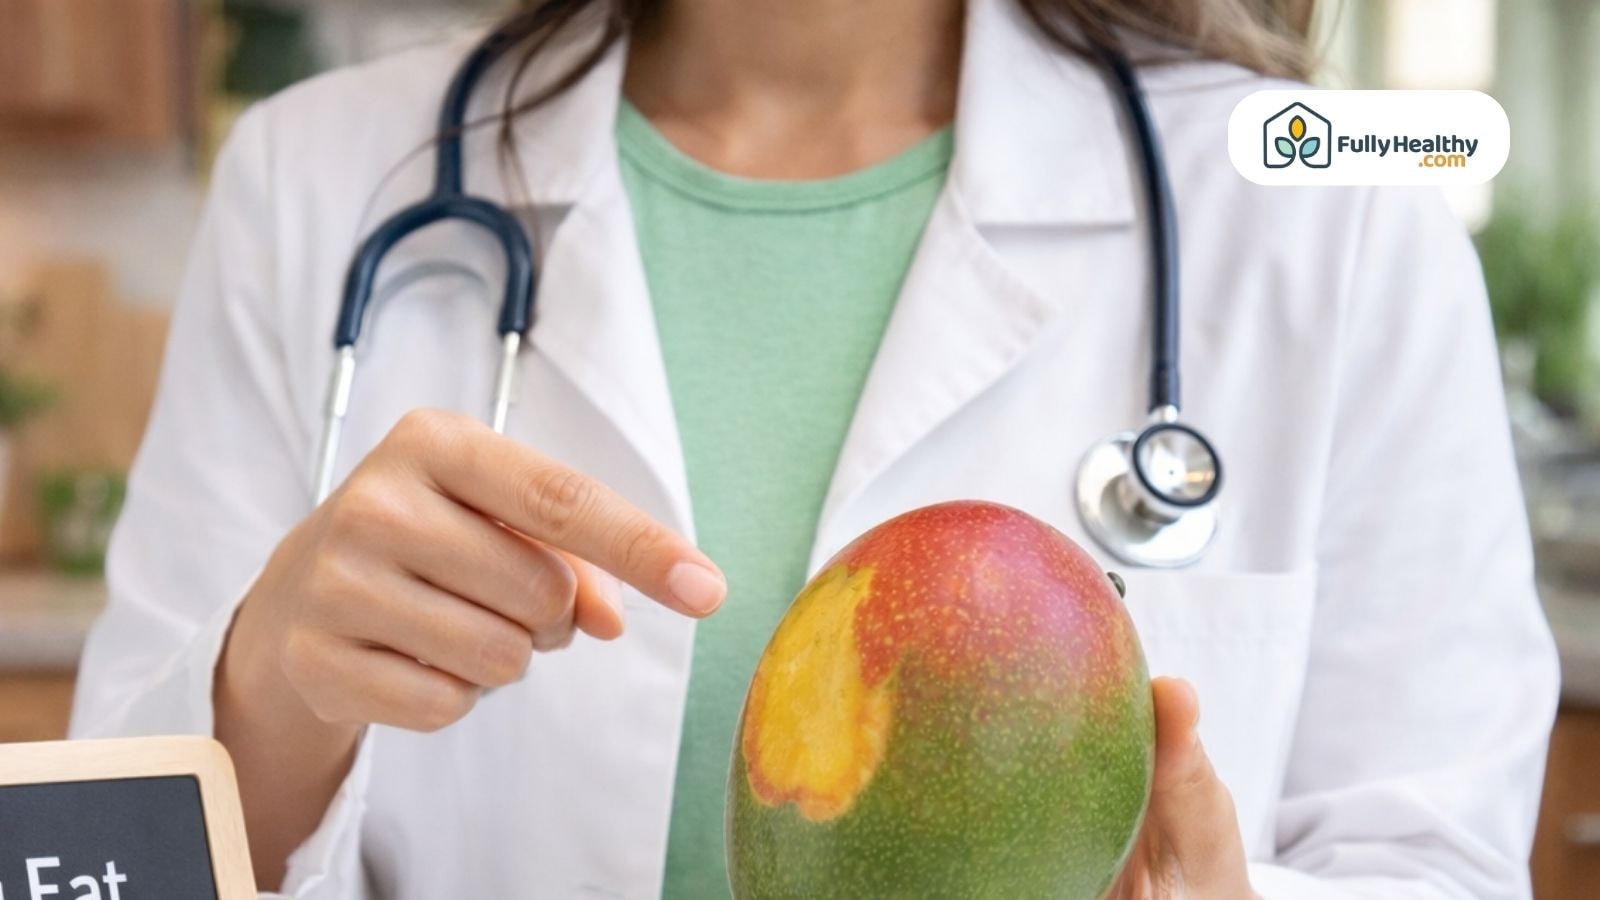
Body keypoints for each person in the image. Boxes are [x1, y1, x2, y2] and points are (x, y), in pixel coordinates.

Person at [71, 0, 1558, 897]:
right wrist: (263, 697)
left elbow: (1440, 869)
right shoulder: (315, 180)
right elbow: (91, 866)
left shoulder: (1336, 216)